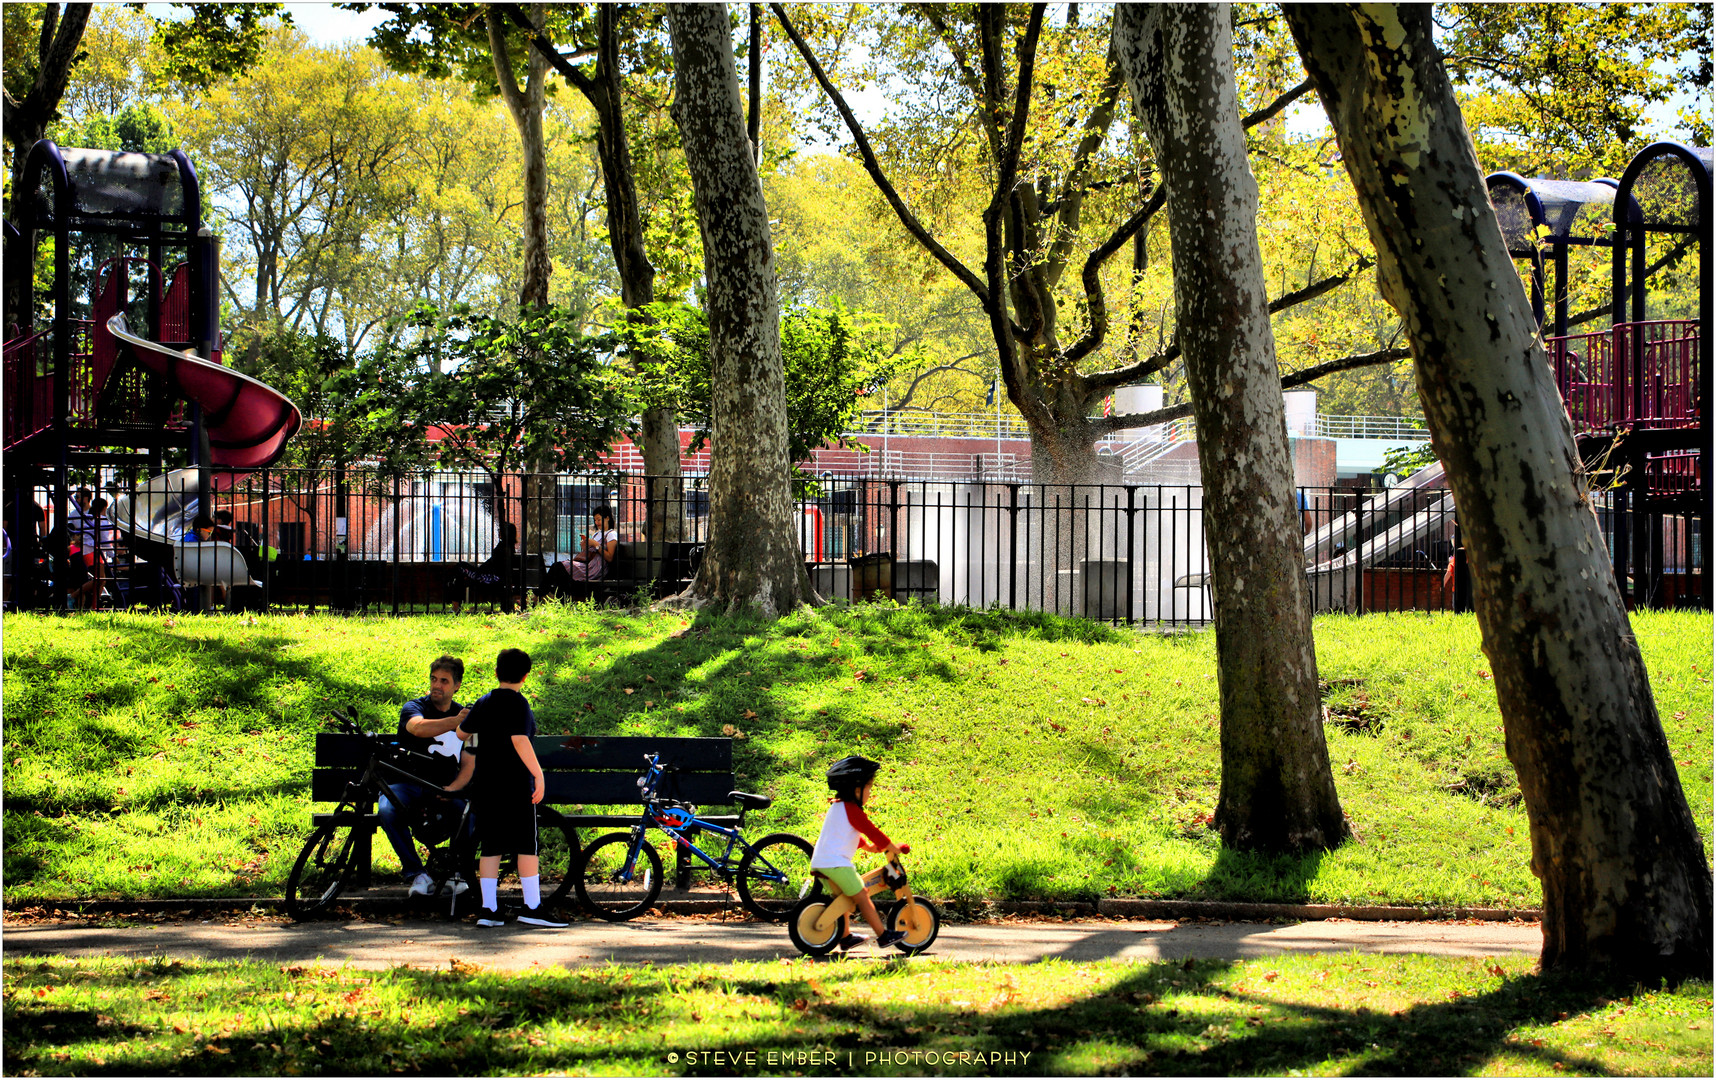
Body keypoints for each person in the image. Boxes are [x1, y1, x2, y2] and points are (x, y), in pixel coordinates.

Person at [446, 648, 566, 928]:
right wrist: (539, 775)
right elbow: (519, 740)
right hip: (515, 785)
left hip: (486, 784)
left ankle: (489, 909)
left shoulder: (484, 701)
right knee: (527, 844)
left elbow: (461, 733)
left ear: (496, 672)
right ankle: (532, 906)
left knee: (491, 846)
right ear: (526, 676)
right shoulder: (519, 704)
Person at [381, 655, 474, 897]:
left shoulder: (466, 719)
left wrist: (453, 788)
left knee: (469, 813)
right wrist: (454, 722)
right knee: (387, 809)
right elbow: (417, 727)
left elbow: (468, 764)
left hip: (444, 788)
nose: (437, 685)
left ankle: (458, 874)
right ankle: (417, 874)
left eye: (444, 681)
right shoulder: (414, 707)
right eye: (434, 679)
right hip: (407, 784)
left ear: (457, 686)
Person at [809, 755, 907, 951]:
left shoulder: (837, 807)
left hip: (823, 862)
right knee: (862, 894)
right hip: (835, 863)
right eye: (869, 788)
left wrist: (870, 848)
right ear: (856, 789)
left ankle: (845, 937)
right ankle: (883, 935)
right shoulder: (852, 809)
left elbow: (846, 834)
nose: (869, 793)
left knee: (843, 899)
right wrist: (892, 847)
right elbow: (871, 831)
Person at [447, 521, 521, 614]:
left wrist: (478, 569)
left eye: (500, 530)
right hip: (492, 577)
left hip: (490, 578)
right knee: (459, 577)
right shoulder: (508, 546)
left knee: (460, 568)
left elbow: (493, 565)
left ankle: (455, 606)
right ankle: (455, 605)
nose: (499, 532)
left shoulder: (504, 547)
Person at [566, 504, 619, 583]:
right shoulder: (596, 534)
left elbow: (609, 557)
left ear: (607, 518)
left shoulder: (611, 534)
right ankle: (547, 592)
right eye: (595, 520)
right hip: (588, 563)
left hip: (596, 568)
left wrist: (595, 544)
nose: (596, 522)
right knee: (559, 567)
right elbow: (590, 553)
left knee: (561, 567)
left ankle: (545, 592)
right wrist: (585, 546)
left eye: (599, 519)